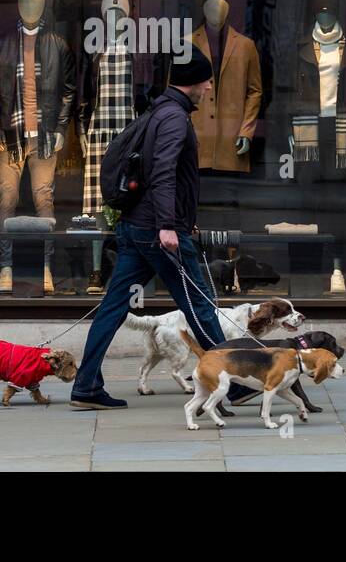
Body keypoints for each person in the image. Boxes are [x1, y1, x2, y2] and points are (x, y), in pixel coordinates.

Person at [71, 48, 245, 410]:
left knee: (113, 307)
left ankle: (86, 386)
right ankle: (234, 384)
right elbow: (163, 172)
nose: (211, 85)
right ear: (195, 82)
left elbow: (165, 175)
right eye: (208, 79)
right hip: (157, 231)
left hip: (137, 228)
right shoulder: (174, 119)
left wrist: (179, 215)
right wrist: (168, 224)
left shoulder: (158, 111)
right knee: (199, 306)